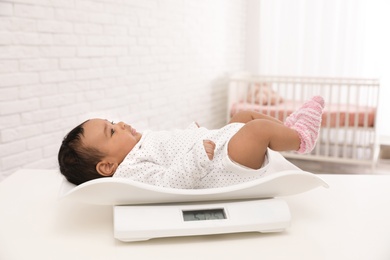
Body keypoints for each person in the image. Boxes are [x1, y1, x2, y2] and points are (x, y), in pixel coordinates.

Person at [58, 96, 325, 189]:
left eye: (112, 122)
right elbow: (169, 182)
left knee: (244, 116)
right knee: (256, 129)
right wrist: (197, 154)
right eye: (112, 132)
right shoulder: (131, 169)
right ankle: (302, 138)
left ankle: (289, 130)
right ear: (107, 166)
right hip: (223, 166)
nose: (121, 125)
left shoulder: (138, 145)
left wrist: (191, 133)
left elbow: (169, 145)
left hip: (217, 148)